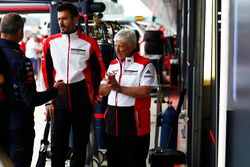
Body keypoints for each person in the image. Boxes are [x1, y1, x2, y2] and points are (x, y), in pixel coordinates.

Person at [41, 3, 106, 167]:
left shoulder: (89, 43)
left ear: (76, 19)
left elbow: (100, 73)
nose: (61, 23)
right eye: (59, 19)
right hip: (59, 100)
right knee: (57, 148)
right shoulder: (50, 43)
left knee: (80, 147)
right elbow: (46, 73)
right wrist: (49, 100)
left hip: (82, 101)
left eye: (65, 19)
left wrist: (96, 99)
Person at [0, 13, 66, 167]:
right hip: (17, 127)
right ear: (20, 31)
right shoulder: (20, 60)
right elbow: (30, 99)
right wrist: (55, 91)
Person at [99, 29, 158, 167]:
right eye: (115, 45)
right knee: (114, 162)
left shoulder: (146, 64)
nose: (117, 49)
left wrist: (118, 87)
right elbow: (102, 91)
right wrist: (110, 86)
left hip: (135, 122)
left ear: (132, 46)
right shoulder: (113, 64)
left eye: (121, 45)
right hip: (113, 121)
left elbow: (144, 91)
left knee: (134, 162)